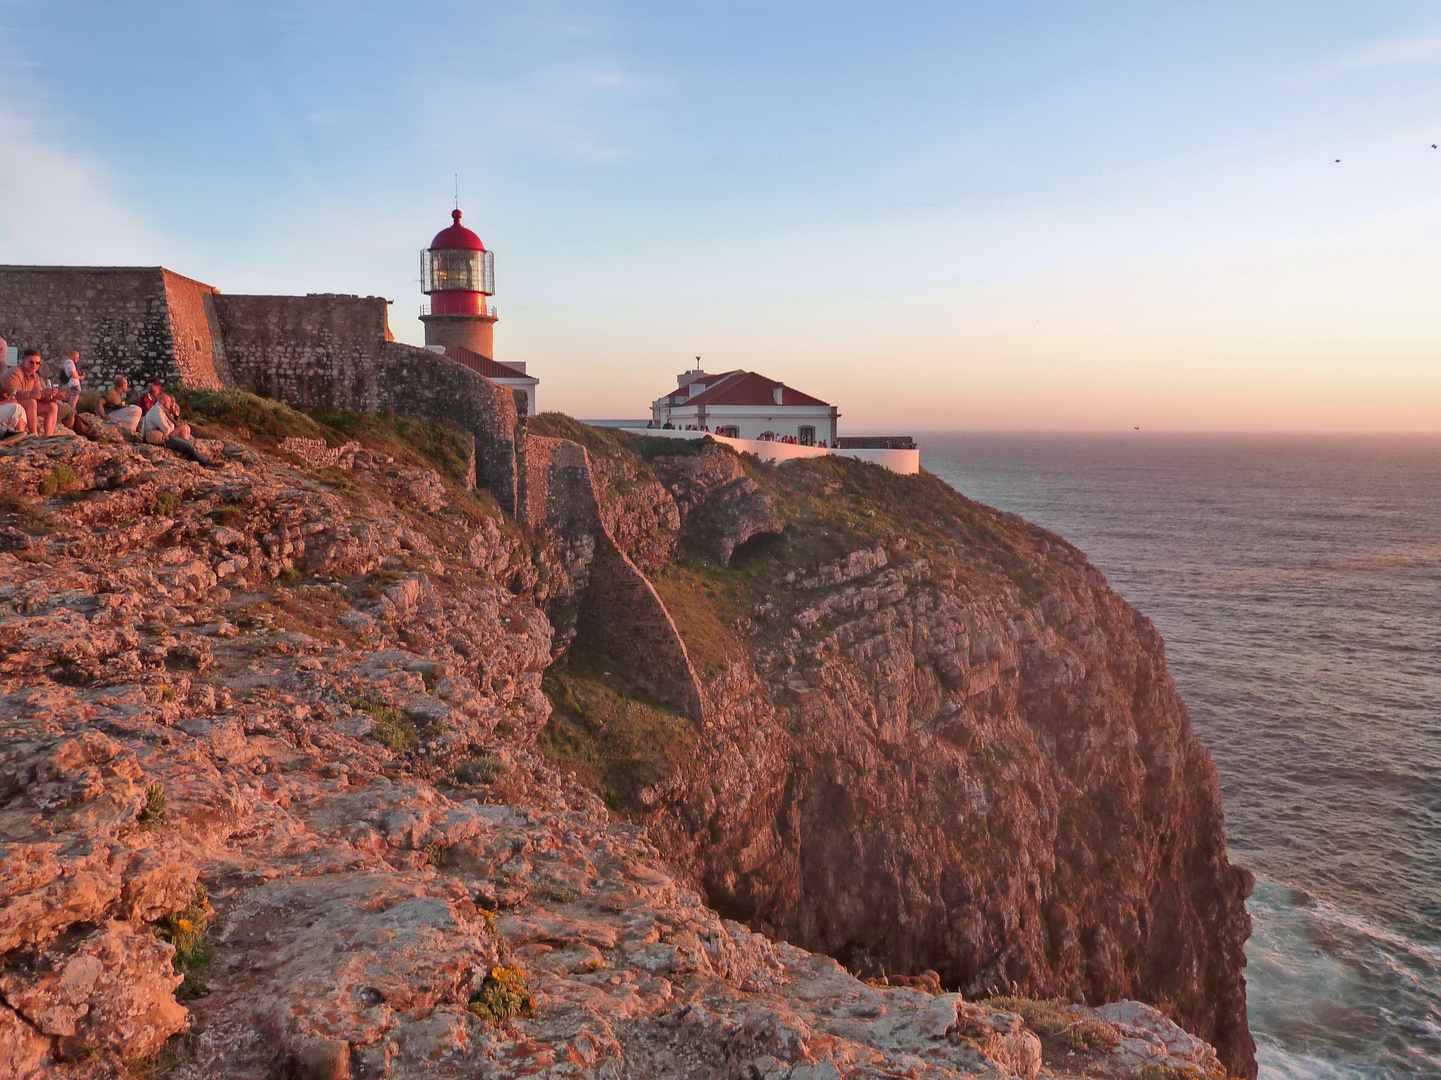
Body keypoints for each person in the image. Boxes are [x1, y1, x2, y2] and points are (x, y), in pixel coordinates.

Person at [1, 350, 60, 436]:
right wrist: (42, 393)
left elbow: (40, 394)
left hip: (20, 403)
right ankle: (33, 435)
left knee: (52, 406)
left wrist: (55, 396)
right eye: (31, 362)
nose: (35, 365)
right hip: (7, 403)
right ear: (23, 361)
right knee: (31, 402)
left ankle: (48, 436)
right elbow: (16, 394)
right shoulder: (14, 373)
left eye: (38, 363)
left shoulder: (34, 376)